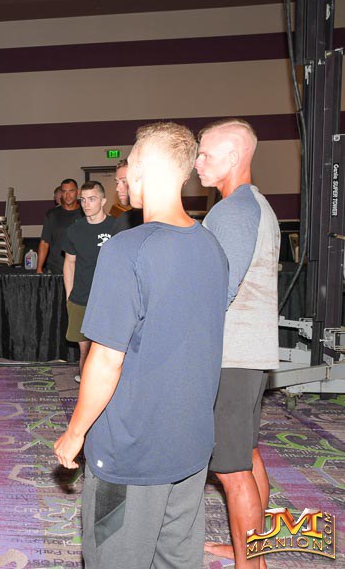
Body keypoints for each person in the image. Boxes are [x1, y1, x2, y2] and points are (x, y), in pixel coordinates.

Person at [54, 122, 228, 569]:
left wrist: (75, 433)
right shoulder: (212, 246)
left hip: (131, 449)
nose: (124, 174)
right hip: (191, 443)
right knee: (176, 559)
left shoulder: (126, 250)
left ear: (144, 170)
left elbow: (105, 359)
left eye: (129, 162)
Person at [195, 118, 279, 568]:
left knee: (230, 468)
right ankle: (251, 549)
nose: (197, 162)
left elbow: (217, 291)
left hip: (231, 354)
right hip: (250, 351)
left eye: (205, 154)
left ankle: (252, 564)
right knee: (245, 454)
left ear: (233, 157)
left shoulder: (233, 210)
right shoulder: (255, 204)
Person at [63, 181, 115, 383]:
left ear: (103, 201)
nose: (86, 204)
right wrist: (69, 295)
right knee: (85, 351)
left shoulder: (116, 227)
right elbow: (69, 262)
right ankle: (86, 387)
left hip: (108, 300)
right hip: (81, 298)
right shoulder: (75, 229)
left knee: (105, 351)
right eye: (83, 200)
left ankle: (107, 388)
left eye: (92, 199)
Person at [37, 179, 82, 274]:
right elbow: (44, 242)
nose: (67, 195)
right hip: (56, 268)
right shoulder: (52, 214)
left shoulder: (85, 213)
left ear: (78, 192)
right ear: (61, 193)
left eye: (71, 191)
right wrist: (39, 268)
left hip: (80, 268)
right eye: (64, 191)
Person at [110, 159, 144, 234]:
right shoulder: (122, 220)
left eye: (124, 181)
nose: (117, 188)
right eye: (117, 182)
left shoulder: (158, 219)